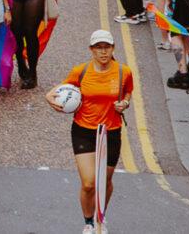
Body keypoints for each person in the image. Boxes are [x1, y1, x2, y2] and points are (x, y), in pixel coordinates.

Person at [46, 30, 133, 234]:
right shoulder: (81, 71)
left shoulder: (123, 72)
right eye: (98, 48)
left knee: (105, 181)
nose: (103, 52)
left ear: (113, 49)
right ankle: (88, 222)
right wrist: (49, 97)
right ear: (91, 50)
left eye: (107, 47)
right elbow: (61, 90)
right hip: (84, 130)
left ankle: (100, 216)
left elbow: (128, 90)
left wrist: (125, 103)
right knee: (88, 183)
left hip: (110, 132)